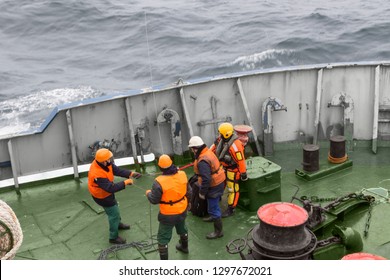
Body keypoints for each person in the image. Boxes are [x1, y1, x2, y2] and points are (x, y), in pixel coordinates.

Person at [88, 148, 142, 244]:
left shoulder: (103, 163)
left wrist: (131, 173)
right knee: (114, 214)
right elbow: (110, 188)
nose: (111, 160)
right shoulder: (97, 173)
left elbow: (116, 170)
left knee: (115, 207)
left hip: (107, 193)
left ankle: (118, 224)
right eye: (109, 159)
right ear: (103, 161)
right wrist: (125, 183)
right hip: (102, 196)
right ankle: (113, 237)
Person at [145, 154, 192, 260]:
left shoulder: (158, 182)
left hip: (168, 214)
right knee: (182, 228)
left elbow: (154, 200)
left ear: (160, 167)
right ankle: (184, 247)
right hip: (182, 209)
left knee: (163, 238)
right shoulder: (182, 174)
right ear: (171, 163)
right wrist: (188, 203)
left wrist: (148, 193)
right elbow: (189, 191)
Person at [188, 136, 226, 239]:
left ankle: (218, 232)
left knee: (213, 207)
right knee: (214, 203)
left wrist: (202, 193)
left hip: (214, 185)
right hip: (219, 181)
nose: (192, 151)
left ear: (195, 148)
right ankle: (212, 216)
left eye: (192, 149)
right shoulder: (207, 152)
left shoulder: (202, 161)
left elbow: (206, 179)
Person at [211, 123, 247, 218]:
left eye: (221, 134)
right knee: (220, 183)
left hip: (233, 170)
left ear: (225, 134)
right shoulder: (220, 140)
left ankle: (231, 208)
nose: (219, 135)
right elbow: (212, 149)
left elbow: (241, 160)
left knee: (233, 189)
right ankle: (218, 197)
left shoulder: (236, 146)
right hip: (224, 167)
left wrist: (243, 173)